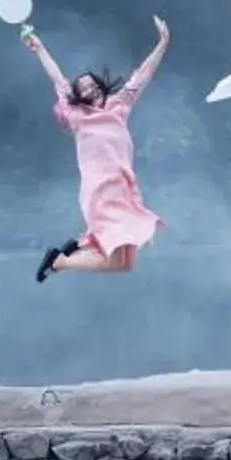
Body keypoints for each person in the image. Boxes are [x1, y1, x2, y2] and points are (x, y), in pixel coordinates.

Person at [27, 14, 172, 281]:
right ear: (79, 95)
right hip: (100, 190)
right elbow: (58, 79)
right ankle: (60, 261)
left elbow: (142, 75)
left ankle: (61, 260)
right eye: (84, 89)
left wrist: (163, 42)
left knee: (124, 264)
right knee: (114, 258)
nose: (91, 90)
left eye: (93, 85)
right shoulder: (77, 116)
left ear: (101, 87)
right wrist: (40, 49)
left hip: (125, 188)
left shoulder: (119, 106)